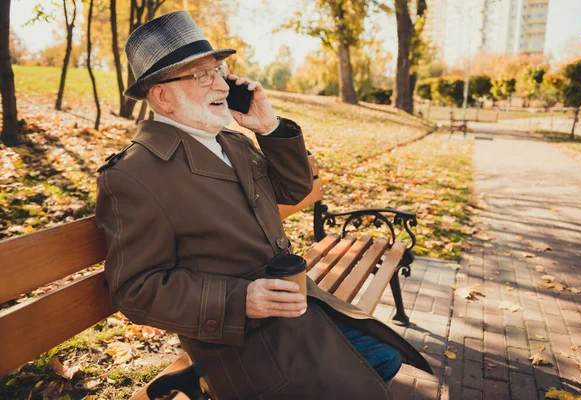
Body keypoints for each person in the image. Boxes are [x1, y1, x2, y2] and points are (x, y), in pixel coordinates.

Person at [95, 10, 431, 400]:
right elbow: (136, 290)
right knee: (375, 369)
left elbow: (292, 190)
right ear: (162, 96)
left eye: (218, 70)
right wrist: (243, 301)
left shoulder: (231, 141)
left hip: (297, 305)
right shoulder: (135, 174)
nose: (220, 83)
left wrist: (269, 127)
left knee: (386, 356)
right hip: (244, 340)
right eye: (201, 75)